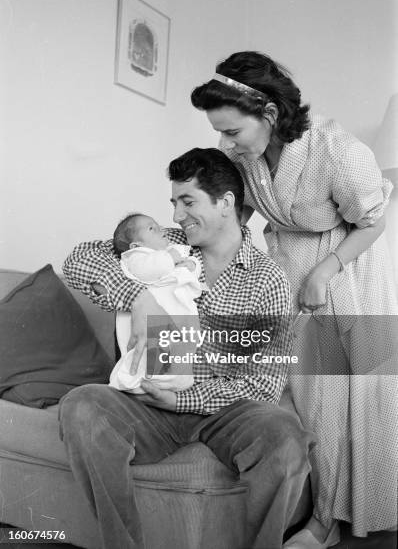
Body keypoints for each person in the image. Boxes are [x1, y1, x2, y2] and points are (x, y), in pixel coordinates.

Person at [191, 51, 398, 549]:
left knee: (362, 397)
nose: (224, 143)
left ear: (268, 114)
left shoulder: (337, 149)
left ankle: (359, 514)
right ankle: (323, 517)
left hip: (351, 266)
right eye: (219, 132)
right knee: (311, 398)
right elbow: (231, 209)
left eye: (231, 131)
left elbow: (373, 220)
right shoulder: (247, 156)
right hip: (292, 265)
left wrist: (326, 270)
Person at [61, 148, 314, 549]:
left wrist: (182, 399)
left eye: (188, 201)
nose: (176, 215)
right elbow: (78, 260)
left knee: (285, 436)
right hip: (147, 404)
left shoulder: (269, 281)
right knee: (82, 405)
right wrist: (138, 297)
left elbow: (263, 386)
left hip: (224, 412)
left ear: (226, 203)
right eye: (174, 203)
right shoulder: (166, 246)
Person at [109, 212, 201, 394]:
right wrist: (173, 257)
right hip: (152, 319)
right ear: (136, 245)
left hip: (176, 313)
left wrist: (191, 265)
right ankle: (141, 383)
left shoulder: (166, 252)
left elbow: (188, 270)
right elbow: (151, 268)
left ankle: (177, 382)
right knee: (150, 355)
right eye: (152, 228)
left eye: (159, 226)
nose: (162, 230)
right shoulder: (135, 257)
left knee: (180, 355)